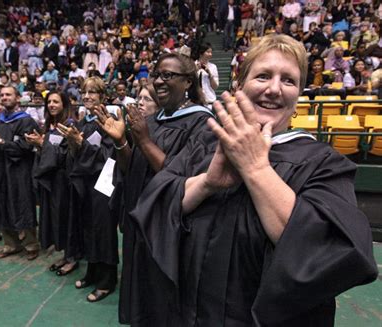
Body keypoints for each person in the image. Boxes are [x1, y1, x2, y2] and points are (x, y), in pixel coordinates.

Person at [130, 34, 378, 326]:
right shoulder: (207, 143)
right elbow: (158, 197)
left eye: (288, 81)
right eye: (263, 76)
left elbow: (331, 251)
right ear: (239, 85)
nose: (274, 89)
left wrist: (256, 169)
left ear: (298, 97)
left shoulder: (321, 163)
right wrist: (207, 183)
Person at [94, 52, 213, 325]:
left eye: (168, 75)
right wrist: (123, 141)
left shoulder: (201, 123)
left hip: (168, 229)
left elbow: (182, 180)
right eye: (157, 74)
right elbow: (131, 169)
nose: (159, 80)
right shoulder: (154, 119)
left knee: (164, 301)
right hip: (140, 221)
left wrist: (145, 141)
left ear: (187, 82)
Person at [57, 77, 118, 303]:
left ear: (103, 97)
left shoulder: (108, 121)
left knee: (103, 231)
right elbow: (74, 155)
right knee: (89, 229)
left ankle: (107, 281)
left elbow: (107, 156)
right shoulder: (82, 123)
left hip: (104, 184)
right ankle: (92, 273)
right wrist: (73, 144)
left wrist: (80, 145)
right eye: (84, 92)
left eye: (93, 92)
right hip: (85, 185)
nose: (87, 96)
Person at [0, 86, 40, 261]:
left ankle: (31, 244)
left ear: (18, 97)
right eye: (2, 95)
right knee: (3, 203)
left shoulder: (26, 121)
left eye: (9, 94)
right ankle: (10, 244)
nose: (5, 97)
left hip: (20, 170)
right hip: (0, 169)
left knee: (23, 203)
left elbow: (26, 147)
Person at [26, 91, 81, 276]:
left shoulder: (70, 125)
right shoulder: (51, 126)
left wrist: (43, 144)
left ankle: (72, 258)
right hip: (54, 182)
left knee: (67, 218)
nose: (51, 104)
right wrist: (40, 145)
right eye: (49, 102)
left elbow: (65, 156)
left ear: (64, 104)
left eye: (56, 101)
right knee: (58, 219)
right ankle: (66, 254)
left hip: (65, 182)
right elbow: (50, 154)